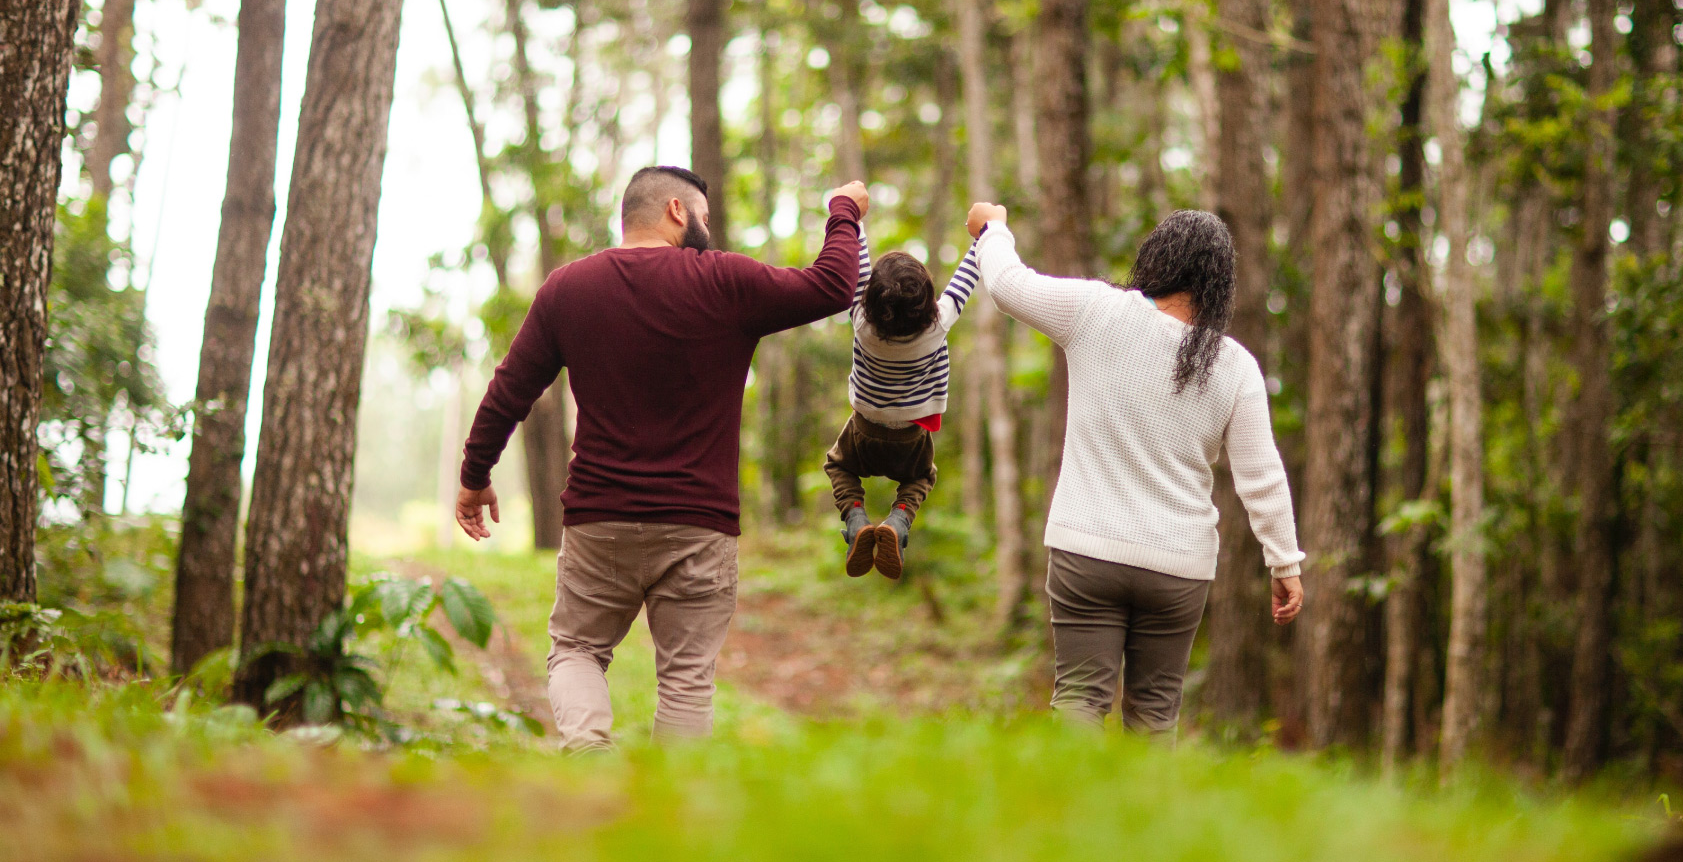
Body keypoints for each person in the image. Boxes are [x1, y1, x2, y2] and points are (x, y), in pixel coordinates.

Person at [455, 167, 868, 750]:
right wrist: (844, 210)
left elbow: (509, 390)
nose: (708, 226)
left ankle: (590, 756)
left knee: (577, 651)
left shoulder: (568, 289)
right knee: (686, 680)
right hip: (701, 525)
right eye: (704, 213)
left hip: (602, 521)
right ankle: (668, 811)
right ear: (678, 210)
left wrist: (475, 477)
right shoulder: (725, 281)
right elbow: (832, 286)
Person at [967, 200, 1305, 737]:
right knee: (1154, 718)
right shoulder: (1235, 365)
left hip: (1087, 552)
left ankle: (1067, 819)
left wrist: (993, 229)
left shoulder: (1096, 310)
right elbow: (1261, 475)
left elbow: (1008, 285)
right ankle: (1145, 821)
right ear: (1219, 287)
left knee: (1078, 705)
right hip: (1178, 568)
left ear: (1158, 260)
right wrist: (1284, 562)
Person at [825, 219, 983, 579]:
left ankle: (855, 517)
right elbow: (966, 276)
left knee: (840, 466)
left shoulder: (861, 321)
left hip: (864, 425)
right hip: (911, 432)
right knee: (921, 477)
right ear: (927, 300)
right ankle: (898, 521)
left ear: (871, 300)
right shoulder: (939, 323)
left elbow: (858, 261)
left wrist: (856, 221)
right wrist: (983, 236)